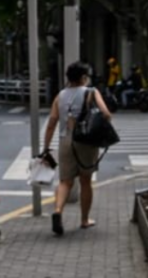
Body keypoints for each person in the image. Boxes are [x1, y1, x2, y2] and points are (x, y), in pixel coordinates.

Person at [43, 61, 113, 235]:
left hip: (65, 140)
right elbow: (106, 114)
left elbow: (52, 123)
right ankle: (84, 220)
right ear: (83, 78)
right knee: (85, 181)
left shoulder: (60, 96)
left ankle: (58, 211)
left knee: (65, 181)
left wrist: (46, 147)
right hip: (86, 141)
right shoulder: (91, 92)